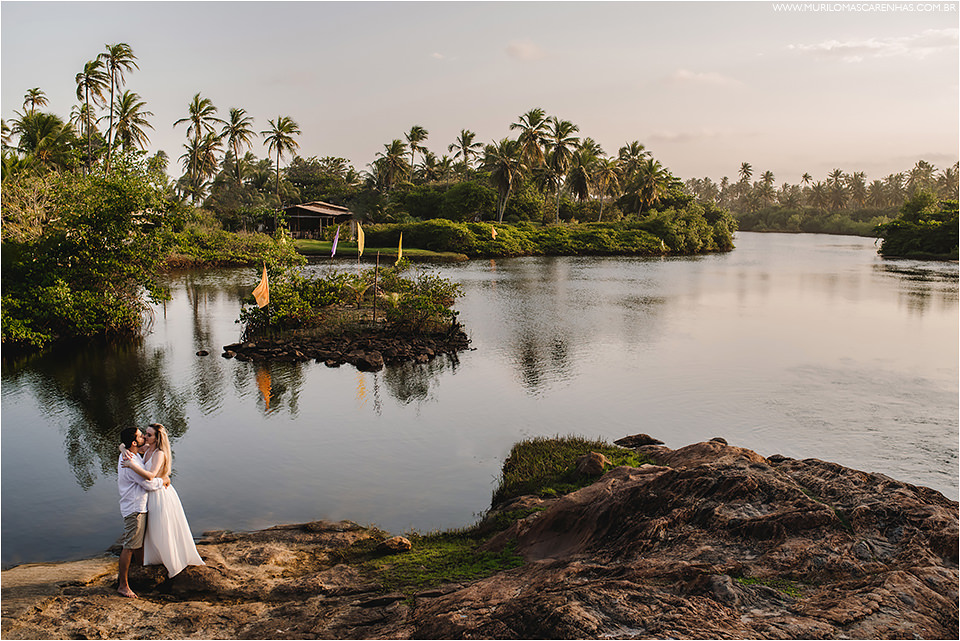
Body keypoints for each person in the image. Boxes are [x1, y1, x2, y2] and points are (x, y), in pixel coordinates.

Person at [121, 423, 205, 578]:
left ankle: (171, 559)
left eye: (149, 435)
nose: (145, 437)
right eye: (145, 434)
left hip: (160, 494)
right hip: (150, 494)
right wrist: (123, 451)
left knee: (163, 527)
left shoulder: (159, 453)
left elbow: (151, 475)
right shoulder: (146, 448)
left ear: (157, 438)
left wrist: (131, 465)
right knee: (153, 529)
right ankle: (155, 557)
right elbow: (124, 444)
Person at [117, 426, 166, 598]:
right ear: (133, 442)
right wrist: (164, 480)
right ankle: (123, 585)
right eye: (140, 436)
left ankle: (141, 568)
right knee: (129, 546)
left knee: (139, 542)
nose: (143, 437)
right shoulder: (130, 461)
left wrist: (122, 447)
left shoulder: (132, 455)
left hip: (138, 506)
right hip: (134, 508)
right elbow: (148, 484)